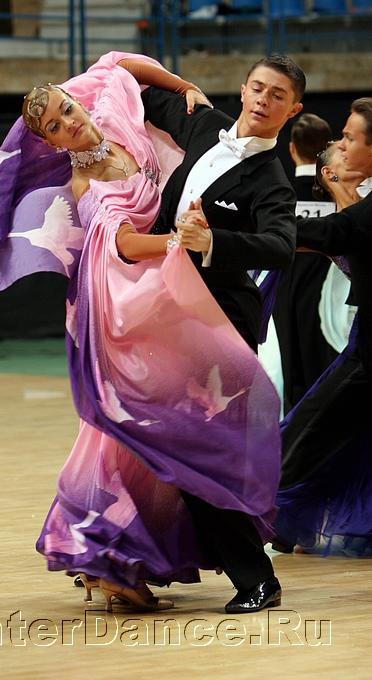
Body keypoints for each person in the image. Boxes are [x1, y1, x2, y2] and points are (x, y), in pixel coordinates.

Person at [0, 52, 282, 613]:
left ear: (78, 102)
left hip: (187, 294)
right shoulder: (84, 180)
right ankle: (124, 552)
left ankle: (117, 553)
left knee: (153, 439)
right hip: (137, 304)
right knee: (171, 437)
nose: (69, 123)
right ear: (51, 142)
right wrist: (177, 243)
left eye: (67, 109)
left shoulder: (113, 118)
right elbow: (120, 244)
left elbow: (119, 63)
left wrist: (181, 84)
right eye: (55, 126)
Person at [140, 53, 306, 612]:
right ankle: (137, 555)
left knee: (197, 450)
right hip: (162, 310)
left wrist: (213, 243)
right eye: (258, 88)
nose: (264, 100)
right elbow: (128, 84)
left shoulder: (272, 180)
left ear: (292, 111)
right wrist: (177, 82)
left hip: (220, 325)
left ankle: (257, 578)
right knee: (143, 437)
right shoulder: (203, 123)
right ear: (242, 89)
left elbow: (280, 246)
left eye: (277, 95)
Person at [271, 100, 372, 555]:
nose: (341, 145)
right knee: (327, 433)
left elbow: (334, 234)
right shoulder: (357, 204)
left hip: (365, 347)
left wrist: (237, 230)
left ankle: (263, 519)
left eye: (349, 138)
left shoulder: (361, 211)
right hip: (358, 337)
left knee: (307, 431)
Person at [273, 113, 338, 413]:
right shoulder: (341, 198)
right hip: (330, 301)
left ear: (291, 149)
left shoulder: (279, 197)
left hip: (286, 295)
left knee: (292, 377)